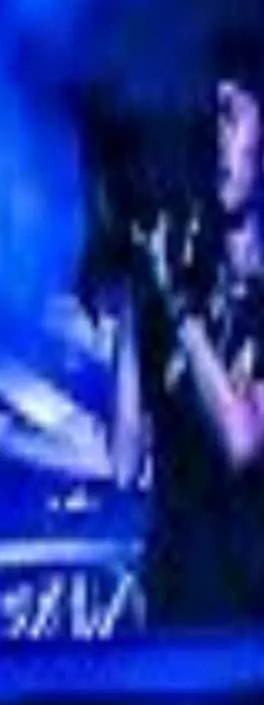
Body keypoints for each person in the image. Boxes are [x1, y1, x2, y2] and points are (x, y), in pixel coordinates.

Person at [108, 32, 264, 629]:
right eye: (206, 122)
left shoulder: (199, 301)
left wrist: (177, 303)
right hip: (174, 618)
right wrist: (136, 296)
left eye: (230, 115)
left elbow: (243, 439)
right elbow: (124, 460)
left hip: (250, 625)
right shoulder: (181, 282)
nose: (215, 139)